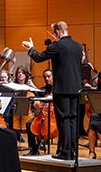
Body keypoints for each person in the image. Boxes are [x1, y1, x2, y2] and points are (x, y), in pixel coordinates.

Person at [23, 21, 82, 160]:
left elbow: (39, 57)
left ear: (57, 32)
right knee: (72, 119)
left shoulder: (58, 45)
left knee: (63, 120)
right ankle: (72, 150)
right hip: (76, 89)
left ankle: (65, 152)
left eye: (54, 33)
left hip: (62, 89)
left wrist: (31, 48)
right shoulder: (78, 47)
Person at [25, 69, 53, 155]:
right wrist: (36, 103)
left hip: (53, 116)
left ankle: (40, 145)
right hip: (43, 114)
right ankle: (33, 148)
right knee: (29, 123)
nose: (47, 79)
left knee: (43, 125)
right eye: (45, 77)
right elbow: (36, 99)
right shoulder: (43, 90)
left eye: (49, 76)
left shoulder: (57, 89)